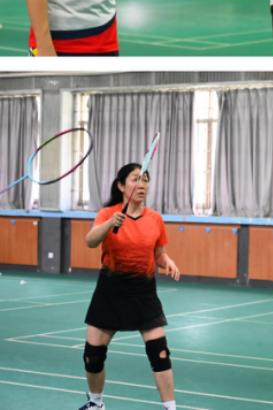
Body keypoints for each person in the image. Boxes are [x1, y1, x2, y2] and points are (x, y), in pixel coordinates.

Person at [79, 163, 180, 410]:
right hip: (110, 289)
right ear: (121, 186)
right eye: (135, 179)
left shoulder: (155, 219)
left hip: (142, 290)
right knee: (93, 355)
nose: (142, 184)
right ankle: (95, 403)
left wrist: (167, 261)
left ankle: (171, 408)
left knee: (160, 353)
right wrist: (109, 223)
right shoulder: (107, 214)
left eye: (145, 179)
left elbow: (159, 253)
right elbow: (90, 241)